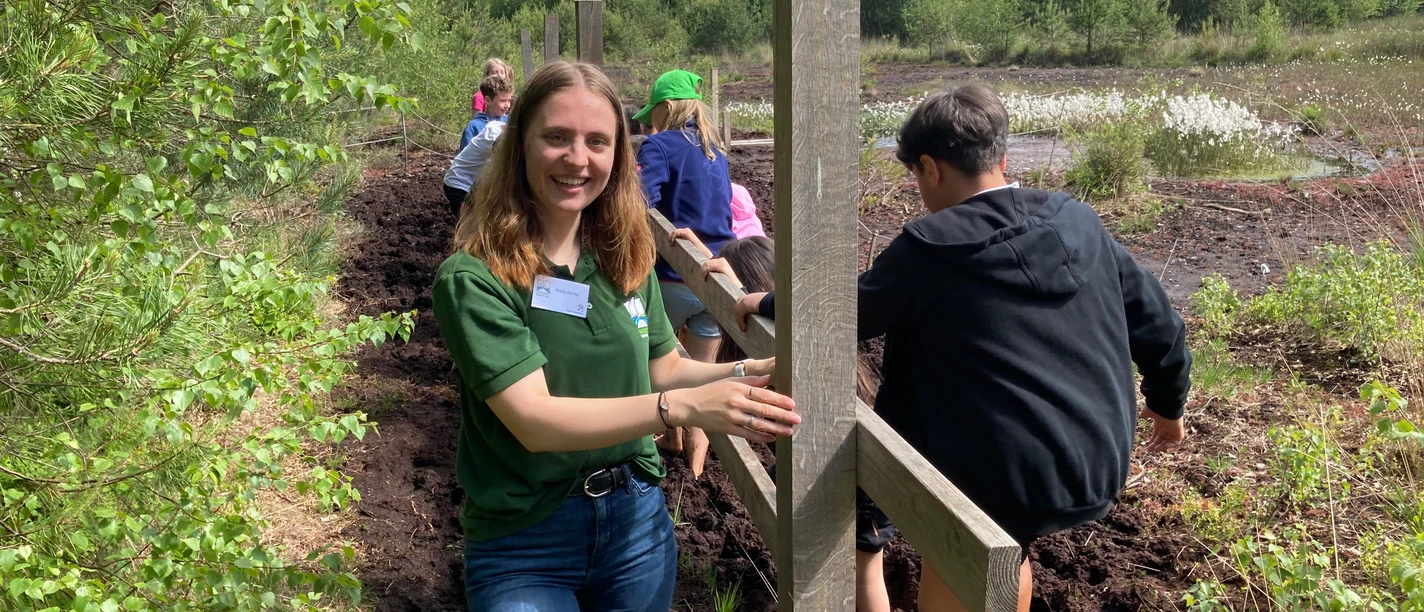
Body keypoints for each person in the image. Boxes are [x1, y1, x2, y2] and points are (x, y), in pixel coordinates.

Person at [733, 84, 1193, 612]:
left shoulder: (930, 247)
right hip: (1096, 462)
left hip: (1000, 472)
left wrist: (768, 301)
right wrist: (1168, 405)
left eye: (915, 176)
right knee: (1006, 546)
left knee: (959, 553)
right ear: (1000, 158)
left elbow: (847, 313)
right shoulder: (1078, 220)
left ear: (930, 168)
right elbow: (1158, 320)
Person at [432, 61, 800, 612]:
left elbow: (664, 368)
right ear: (520, 145)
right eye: (557, 137)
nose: (577, 159)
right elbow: (535, 421)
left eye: (597, 142)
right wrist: (680, 409)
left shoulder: (622, 255)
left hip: (635, 524)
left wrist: (749, 371)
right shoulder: (475, 277)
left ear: (618, 155)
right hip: (525, 538)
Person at [671, 229, 893, 612]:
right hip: (845, 465)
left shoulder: (772, 350)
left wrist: (734, 291)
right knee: (861, 568)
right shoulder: (811, 321)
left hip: (832, 469)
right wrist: (716, 267)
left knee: (855, 570)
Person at [633, 69, 735, 364]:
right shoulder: (715, 150)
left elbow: (639, 201)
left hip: (672, 276)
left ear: (666, 107)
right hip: (717, 276)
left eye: (652, 111)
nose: (649, 121)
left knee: (648, 361)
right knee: (702, 374)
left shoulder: (658, 145)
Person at [442, 119, 505, 214]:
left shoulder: (497, 126)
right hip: (460, 184)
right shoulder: (495, 137)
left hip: (470, 181)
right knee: (470, 219)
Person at [461, 74, 513, 152]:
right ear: (488, 100)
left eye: (509, 101)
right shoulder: (474, 127)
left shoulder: (510, 122)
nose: (507, 105)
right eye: (503, 101)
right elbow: (465, 156)